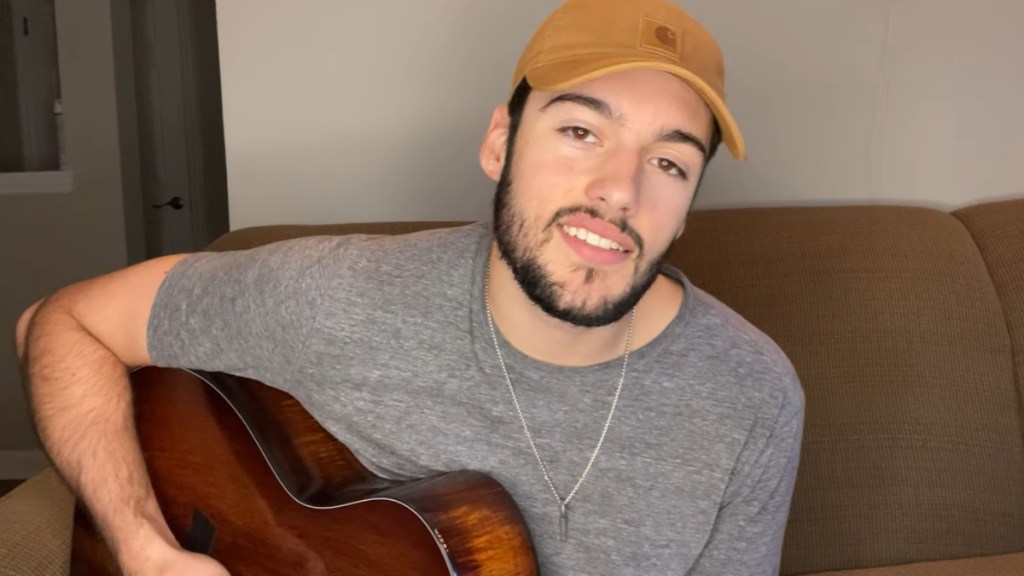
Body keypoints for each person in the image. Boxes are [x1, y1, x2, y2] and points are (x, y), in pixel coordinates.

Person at [15, 0, 804, 574]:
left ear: (687, 208)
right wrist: (144, 547)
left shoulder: (751, 395)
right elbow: (57, 324)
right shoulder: (338, 298)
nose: (619, 190)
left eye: (669, 162)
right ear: (500, 144)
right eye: (580, 131)